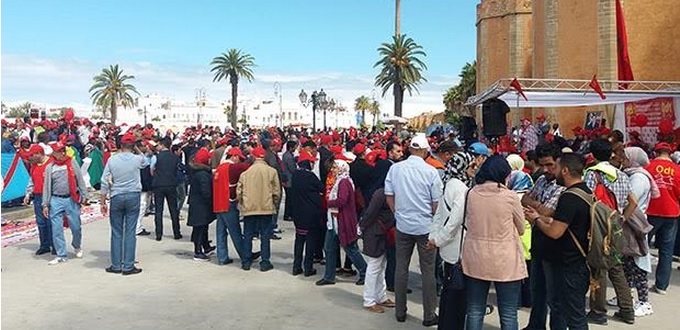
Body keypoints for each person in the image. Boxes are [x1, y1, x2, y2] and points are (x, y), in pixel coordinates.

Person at [525, 152, 591, 330]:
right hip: (575, 261)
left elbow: (555, 232)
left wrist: (536, 220)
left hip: (569, 264)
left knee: (572, 315)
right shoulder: (586, 192)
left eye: (557, 167)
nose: (553, 172)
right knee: (565, 308)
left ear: (566, 171)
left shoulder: (569, 198)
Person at [463, 155, 526, 330]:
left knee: (475, 310)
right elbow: (521, 228)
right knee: (508, 313)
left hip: (476, 256)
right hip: (505, 259)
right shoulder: (510, 196)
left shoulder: (471, 193)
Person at [385, 134, 442, 326]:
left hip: (403, 225)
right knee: (428, 271)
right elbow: (436, 204)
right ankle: (429, 315)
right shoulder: (431, 172)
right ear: (425, 151)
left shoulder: (395, 169)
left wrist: (397, 213)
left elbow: (389, 196)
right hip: (425, 226)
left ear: (409, 149)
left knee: (401, 268)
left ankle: (400, 311)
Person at [584, 138, 636, 325]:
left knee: (598, 267)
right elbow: (633, 202)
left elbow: (588, 201)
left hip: (599, 225)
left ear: (592, 154)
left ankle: (598, 311)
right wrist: (622, 218)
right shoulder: (621, 174)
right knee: (616, 266)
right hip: (615, 224)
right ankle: (627, 310)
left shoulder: (592, 174)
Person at [521, 143, 567, 330]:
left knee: (555, 296)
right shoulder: (541, 180)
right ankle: (536, 325)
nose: (546, 169)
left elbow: (549, 212)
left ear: (559, 162)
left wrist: (538, 208)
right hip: (538, 241)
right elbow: (525, 199)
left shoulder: (563, 184)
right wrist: (541, 209)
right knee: (537, 289)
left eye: (550, 165)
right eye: (543, 165)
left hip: (555, 245)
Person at [100, 134, 149, 275]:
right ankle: (128, 265)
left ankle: (116, 265)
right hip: (133, 195)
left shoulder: (112, 160)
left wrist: (103, 201)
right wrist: (138, 150)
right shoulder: (137, 159)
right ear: (133, 146)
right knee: (130, 231)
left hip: (117, 195)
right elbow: (146, 162)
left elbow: (104, 181)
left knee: (116, 231)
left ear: (120, 145)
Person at [316, 159, 368, 286]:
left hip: (342, 220)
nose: (332, 169)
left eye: (335, 167)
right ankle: (329, 276)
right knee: (329, 248)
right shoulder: (340, 181)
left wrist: (328, 203)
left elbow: (342, 200)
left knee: (350, 248)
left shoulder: (343, 182)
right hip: (334, 220)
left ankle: (365, 273)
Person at [621, 147, 657, 316]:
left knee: (638, 264)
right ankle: (626, 296)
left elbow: (629, 200)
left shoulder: (639, 178)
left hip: (635, 225)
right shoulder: (631, 175)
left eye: (625, 157)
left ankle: (644, 302)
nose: (623, 160)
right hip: (629, 224)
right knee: (627, 262)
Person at [429, 174, 468, 330]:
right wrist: (439, 240)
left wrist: (435, 237)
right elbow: (455, 221)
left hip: (448, 248)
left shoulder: (449, 184)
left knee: (448, 291)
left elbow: (439, 215)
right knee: (457, 295)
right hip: (457, 249)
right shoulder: (462, 189)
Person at [42, 142, 88, 265]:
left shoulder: (72, 163)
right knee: (56, 229)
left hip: (71, 199)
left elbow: (80, 179)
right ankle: (61, 254)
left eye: (63, 150)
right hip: (56, 200)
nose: (62, 153)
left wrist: (84, 195)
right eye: (58, 151)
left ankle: (76, 245)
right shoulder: (49, 167)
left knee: (76, 226)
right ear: (54, 153)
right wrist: (45, 204)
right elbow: (46, 187)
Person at [360, 162, 396, 313]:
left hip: (382, 232)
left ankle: (380, 296)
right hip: (375, 232)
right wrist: (361, 226)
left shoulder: (386, 190)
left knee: (381, 266)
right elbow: (370, 213)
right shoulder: (381, 193)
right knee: (374, 266)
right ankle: (369, 300)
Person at [237, 146, 280, 272]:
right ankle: (265, 262)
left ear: (253, 157)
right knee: (265, 235)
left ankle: (246, 262)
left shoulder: (245, 173)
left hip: (250, 208)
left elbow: (239, 191)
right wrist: (274, 203)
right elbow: (277, 191)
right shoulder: (272, 171)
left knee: (248, 235)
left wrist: (242, 203)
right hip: (266, 207)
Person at [645, 142, 680, 295]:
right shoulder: (677, 170)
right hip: (672, 212)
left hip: (652, 211)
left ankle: (636, 282)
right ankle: (661, 285)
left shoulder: (649, 167)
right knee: (666, 251)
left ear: (656, 152)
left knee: (642, 248)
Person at [213, 147, 252, 265]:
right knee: (235, 232)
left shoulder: (220, 168)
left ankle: (222, 257)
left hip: (218, 203)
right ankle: (245, 255)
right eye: (239, 158)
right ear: (234, 156)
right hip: (228, 203)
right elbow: (246, 166)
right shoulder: (232, 168)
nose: (239, 161)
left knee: (221, 232)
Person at [290, 150, 323, 276]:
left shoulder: (295, 175)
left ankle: (296, 266)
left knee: (299, 239)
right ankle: (308, 268)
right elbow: (321, 188)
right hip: (311, 213)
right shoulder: (310, 176)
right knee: (310, 241)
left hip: (298, 212)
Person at [24, 144, 54, 255]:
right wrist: (28, 194)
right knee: (41, 222)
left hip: (50, 196)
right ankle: (44, 245)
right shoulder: (34, 166)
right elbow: (31, 181)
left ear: (39, 153)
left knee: (51, 221)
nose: (30, 158)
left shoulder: (51, 163)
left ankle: (54, 244)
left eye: (32, 155)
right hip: (37, 196)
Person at [151, 138, 182, 241]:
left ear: (162, 145)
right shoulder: (175, 157)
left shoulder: (156, 157)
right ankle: (176, 232)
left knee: (159, 210)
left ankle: (159, 234)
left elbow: (152, 170)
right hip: (171, 184)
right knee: (173, 209)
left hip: (159, 185)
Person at [187, 148, 215, 261]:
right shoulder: (203, 174)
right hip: (201, 205)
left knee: (203, 226)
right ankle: (198, 252)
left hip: (197, 203)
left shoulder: (197, 171)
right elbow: (206, 192)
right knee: (200, 228)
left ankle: (205, 246)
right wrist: (210, 201)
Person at [282, 139, 298, 221]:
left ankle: (288, 214)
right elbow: (292, 169)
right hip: (289, 180)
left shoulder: (286, 155)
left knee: (289, 198)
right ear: (291, 147)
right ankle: (288, 214)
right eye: (295, 147)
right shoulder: (289, 157)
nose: (296, 149)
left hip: (287, 179)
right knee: (290, 198)